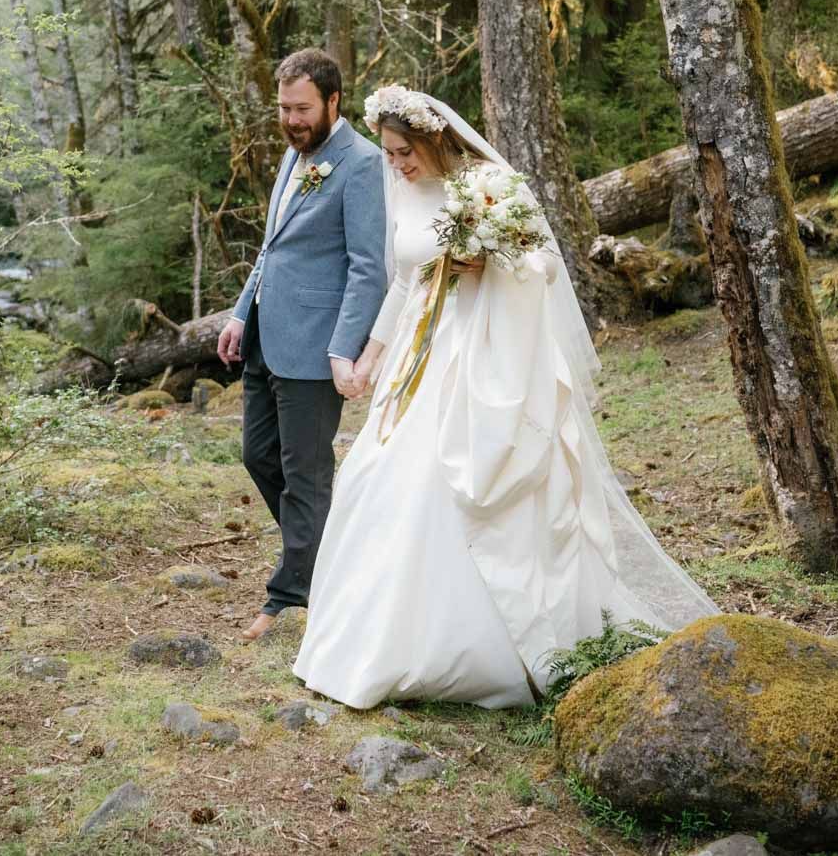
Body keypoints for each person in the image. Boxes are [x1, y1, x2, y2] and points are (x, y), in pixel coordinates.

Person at [292, 86, 716, 708]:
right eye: (387, 153)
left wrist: (486, 266)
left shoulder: (487, 185)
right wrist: (368, 357)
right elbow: (406, 280)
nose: (396, 165)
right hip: (422, 352)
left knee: (449, 482)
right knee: (384, 477)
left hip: (483, 353)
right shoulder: (403, 191)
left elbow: (541, 266)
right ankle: (375, 641)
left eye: (404, 152)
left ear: (435, 139)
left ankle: (487, 650)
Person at [216, 49, 388, 643]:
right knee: (258, 456)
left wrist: (345, 349)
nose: (290, 119)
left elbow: (369, 269)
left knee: (306, 473)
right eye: (284, 108)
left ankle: (290, 592)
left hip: (317, 347)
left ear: (333, 101)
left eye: (302, 108)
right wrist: (241, 313)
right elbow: (273, 247)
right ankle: (325, 559)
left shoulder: (361, 164)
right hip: (266, 335)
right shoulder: (295, 157)